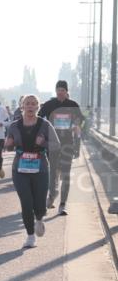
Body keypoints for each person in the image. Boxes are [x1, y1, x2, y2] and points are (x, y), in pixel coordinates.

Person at [5, 95, 60, 248]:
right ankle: (30, 236)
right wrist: (8, 144)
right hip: (20, 169)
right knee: (26, 202)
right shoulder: (14, 126)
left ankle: (39, 218)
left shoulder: (45, 124)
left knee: (39, 203)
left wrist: (44, 143)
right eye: (27, 104)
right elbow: (9, 145)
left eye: (33, 104)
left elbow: (56, 145)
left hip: (40, 168)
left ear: (37, 107)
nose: (30, 106)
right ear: (22, 106)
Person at [39, 80, 87, 215]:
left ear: (66, 92)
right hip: (52, 143)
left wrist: (77, 126)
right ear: (55, 91)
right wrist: (42, 132)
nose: (60, 92)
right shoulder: (49, 104)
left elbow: (82, 121)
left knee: (66, 174)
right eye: (58, 90)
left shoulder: (73, 105)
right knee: (53, 172)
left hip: (67, 143)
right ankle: (52, 195)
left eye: (63, 90)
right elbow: (39, 118)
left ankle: (63, 204)